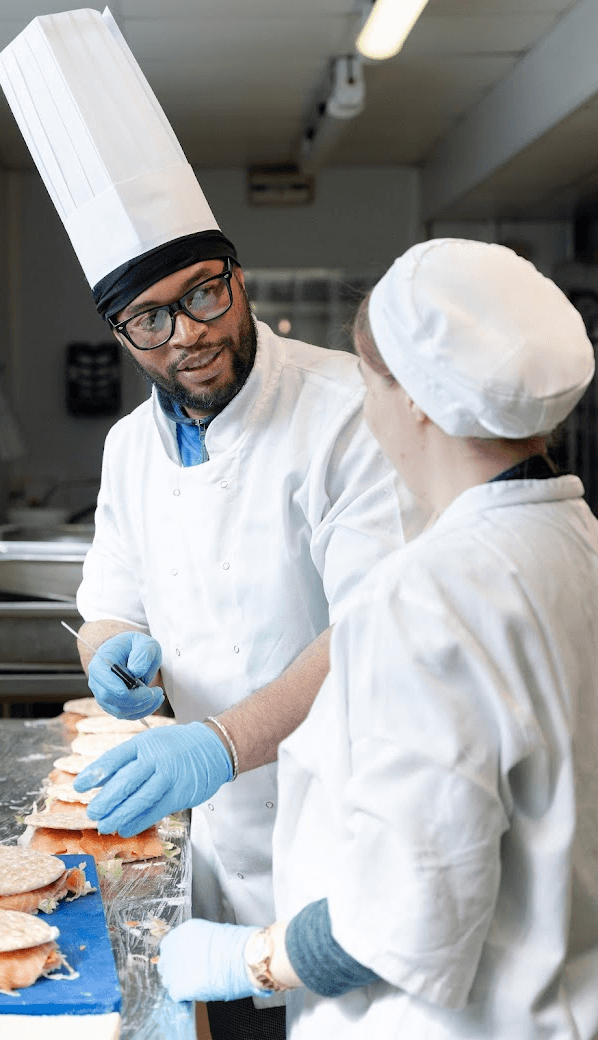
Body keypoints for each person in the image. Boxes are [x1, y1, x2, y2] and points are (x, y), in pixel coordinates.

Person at [0, 12, 423, 1038]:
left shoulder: (344, 411)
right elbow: (107, 603)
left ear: (237, 273)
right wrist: (112, 655)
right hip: (204, 838)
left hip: (342, 825)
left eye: (203, 291)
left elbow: (374, 632)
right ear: (119, 331)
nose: (189, 334)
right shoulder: (129, 450)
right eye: (152, 317)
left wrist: (224, 738)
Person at [154, 238, 598, 1040]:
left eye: (369, 380)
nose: (365, 405)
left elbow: (407, 917)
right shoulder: (578, 545)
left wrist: (249, 959)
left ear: (418, 400)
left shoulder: (426, 596)